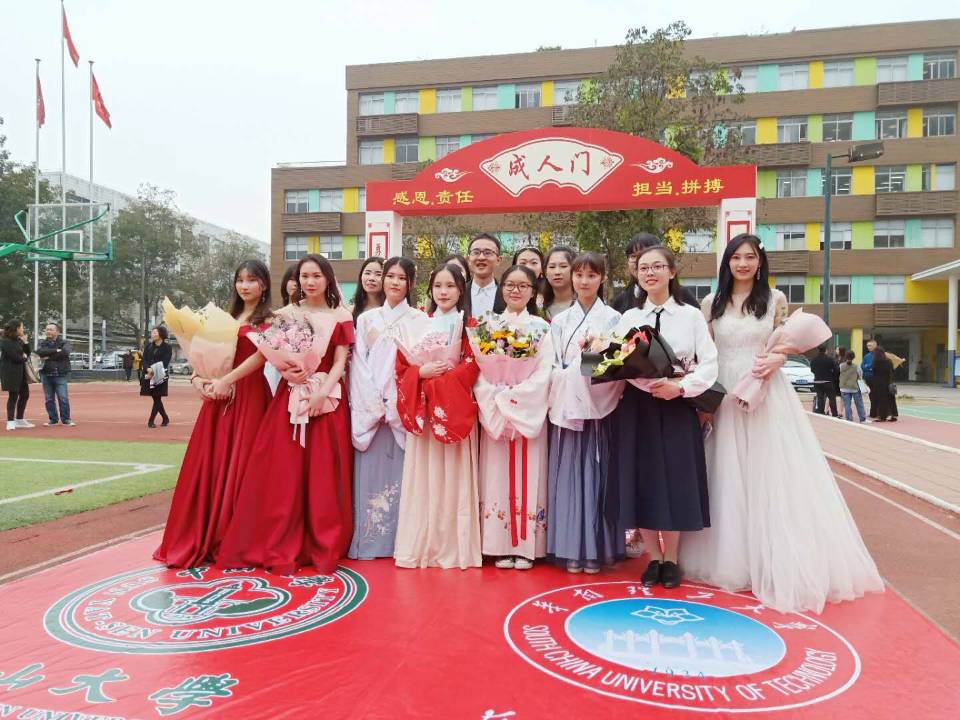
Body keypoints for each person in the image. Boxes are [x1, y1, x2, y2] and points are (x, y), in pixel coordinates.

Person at [681, 234, 883, 613]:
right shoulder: (711, 302)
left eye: (750, 257)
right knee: (726, 474)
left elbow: (783, 342)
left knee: (770, 474)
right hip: (726, 392)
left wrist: (778, 359)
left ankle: (777, 558)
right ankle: (732, 559)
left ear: (760, 262)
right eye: (736, 257)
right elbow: (707, 353)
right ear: (727, 262)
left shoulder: (775, 299)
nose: (743, 264)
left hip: (766, 391)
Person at [215, 254, 354, 575]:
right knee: (283, 473)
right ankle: (279, 540)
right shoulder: (284, 315)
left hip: (327, 401)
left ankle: (322, 543)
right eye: (305, 276)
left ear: (328, 279)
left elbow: (339, 361)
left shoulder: (341, 315)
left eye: (316, 276)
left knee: (322, 475)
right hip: (288, 400)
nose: (310, 282)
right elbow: (264, 355)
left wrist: (321, 392)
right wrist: (287, 372)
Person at [609, 244, 717, 589]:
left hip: (677, 406)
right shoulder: (628, 317)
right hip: (637, 406)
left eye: (657, 266)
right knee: (640, 478)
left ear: (672, 272)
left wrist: (680, 387)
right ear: (636, 274)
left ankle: (671, 558)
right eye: (643, 268)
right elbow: (615, 363)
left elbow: (710, 363)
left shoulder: (690, 316)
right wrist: (643, 380)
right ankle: (652, 557)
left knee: (675, 479)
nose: (650, 273)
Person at [153, 260, 274, 568]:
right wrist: (199, 379)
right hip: (217, 399)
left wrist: (227, 380)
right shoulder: (225, 318)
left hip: (250, 397)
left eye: (252, 280)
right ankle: (203, 534)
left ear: (264, 284)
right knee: (212, 464)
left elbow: (261, 357)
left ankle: (234, 538)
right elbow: (204, 355)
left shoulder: (270, 320)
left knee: (244, 466)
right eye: (240, 280)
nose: (245, 285)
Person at [393, 263, 482, 569]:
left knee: (454, 477)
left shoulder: (470, 325)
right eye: (438, 286)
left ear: (461, 290)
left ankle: (454, 546)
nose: (443, 292)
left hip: (451, 409)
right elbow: (401, 368)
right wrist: (421, 372)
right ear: (430, 290)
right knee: (425, 478)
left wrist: (440, 380)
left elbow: (472, 365)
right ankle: (423, 544)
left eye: (451, 286)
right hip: (426, 410)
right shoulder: (418, 323)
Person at [547, 253, 623, 573]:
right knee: (569, 476)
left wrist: (589, 370)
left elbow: (617, 364)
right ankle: (569, 547)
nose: (584, 281)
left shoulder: (615, 319)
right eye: (579, 275)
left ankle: (596, 549)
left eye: (591, 275)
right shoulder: (560, 321)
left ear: (602, 278)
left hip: (598, 406)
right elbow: (551, 363)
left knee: (596, 477)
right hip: (567, 405)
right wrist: (570, 375)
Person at [476, 265, 553, 570]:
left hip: (525, 411)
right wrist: (496, 394)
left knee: (529, 475)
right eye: (509, 284)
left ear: (533, 292)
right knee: (496, 477)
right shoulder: (488, 325)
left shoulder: (542, 328)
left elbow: (545, 372)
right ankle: (498, 545)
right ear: (502, 288)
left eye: (523, 286)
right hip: (497, 411)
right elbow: (480, 373)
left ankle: (525, 547)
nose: (515, 290)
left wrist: (513, 396)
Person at [349, 257, 425, 559]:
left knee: (404, 480)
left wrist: (395, 403)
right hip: (372, 411)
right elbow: (359, 365)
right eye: (390, 276)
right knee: (371, 479)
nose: (395, 282)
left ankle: (402, 543)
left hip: (401, 410)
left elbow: (417, 366)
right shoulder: (367, 319)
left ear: (410, 283)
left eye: (402, 277)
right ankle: (369, 542)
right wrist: (374, 404)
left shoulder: (420, 320)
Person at [612, 233, 698, 313]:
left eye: (643, 254)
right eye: (633, 256)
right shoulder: (620, 301)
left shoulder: (683, 296)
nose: (638, 261)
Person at [36, 322, 73, 427]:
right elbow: (40, 352)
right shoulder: (42, 342)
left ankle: (66, 419)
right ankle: (53, 419)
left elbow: (65, 353)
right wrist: (56, 350)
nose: (48, 331)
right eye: (47, 329)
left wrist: (48, 356)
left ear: (57, 332)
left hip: (60, 374)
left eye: (51, 329)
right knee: (49, 399)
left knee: (63, 397)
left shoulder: (64, 342)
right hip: (46, 374)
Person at [1, 320, 33, 431]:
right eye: (22, 327)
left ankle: (19, 419)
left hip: (21, 373)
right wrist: (24, 357)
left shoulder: (18, 340)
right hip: (11, 373)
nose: (23, 329)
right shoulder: (5, 341)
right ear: (16, 328)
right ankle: (10, 421)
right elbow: (15, 358)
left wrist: (26, 342)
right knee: (13, 396)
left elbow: (27, 353)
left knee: (25, 395)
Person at [466, 233, 506, 318]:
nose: (481, 257)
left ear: (498, 260)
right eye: (476, 252)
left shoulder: (507, 295)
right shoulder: (459, 293)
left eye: (487, 253)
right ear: (469, 259)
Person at [140, 326, 172, 428]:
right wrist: (147, 369)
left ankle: (151, 420)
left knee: (157, 397)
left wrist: (153, 369)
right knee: (156, 398)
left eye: (155, 332)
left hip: (160, 375)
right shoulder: (149, 346)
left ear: (161, 334)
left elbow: (165, 362)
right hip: (149, 374)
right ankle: (165, 418)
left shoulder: (167, 347)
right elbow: (144, 360)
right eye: (152, 332)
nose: (152, 334)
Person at [542, 246, 576, 320]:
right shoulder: (539, 307)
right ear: (545, 272)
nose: (557, 272)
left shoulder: (585, 305)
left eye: (563, 266)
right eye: (552, 267)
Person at [350, 256, 385, 321]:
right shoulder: (351, 311)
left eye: (378, 274)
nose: (371, 278)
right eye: (367, 273)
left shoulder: (392, 310)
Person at [811, 345, 839, 417]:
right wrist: (832, 376)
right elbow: (836, 370)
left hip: (817, 381)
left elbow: (812, 370)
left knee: (820, 397)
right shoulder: (830, 359)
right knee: (832, 398)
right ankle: (834, 414)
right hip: (828, 381)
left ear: (818, 350)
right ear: (826, 350)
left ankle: (820, 412)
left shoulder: (814, 359)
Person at [839, 350, 866, 423]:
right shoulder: (856, 367)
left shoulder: (841, 366)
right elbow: (860, 376)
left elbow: (838, 374)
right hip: (854, 387)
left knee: (847, 404)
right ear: (853, 357)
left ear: (845, 357)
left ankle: (849, 418)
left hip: (844, 387)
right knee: (859, 404)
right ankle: (862, 418)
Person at [871, 346, 896, 422]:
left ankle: (882, 416)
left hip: (879, 383)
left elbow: (874, 372)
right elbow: (892, 371)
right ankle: (893, 415)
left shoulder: (876, 362)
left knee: (880, 400)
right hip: (888, 382)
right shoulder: (889, 361)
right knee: (890, 399)